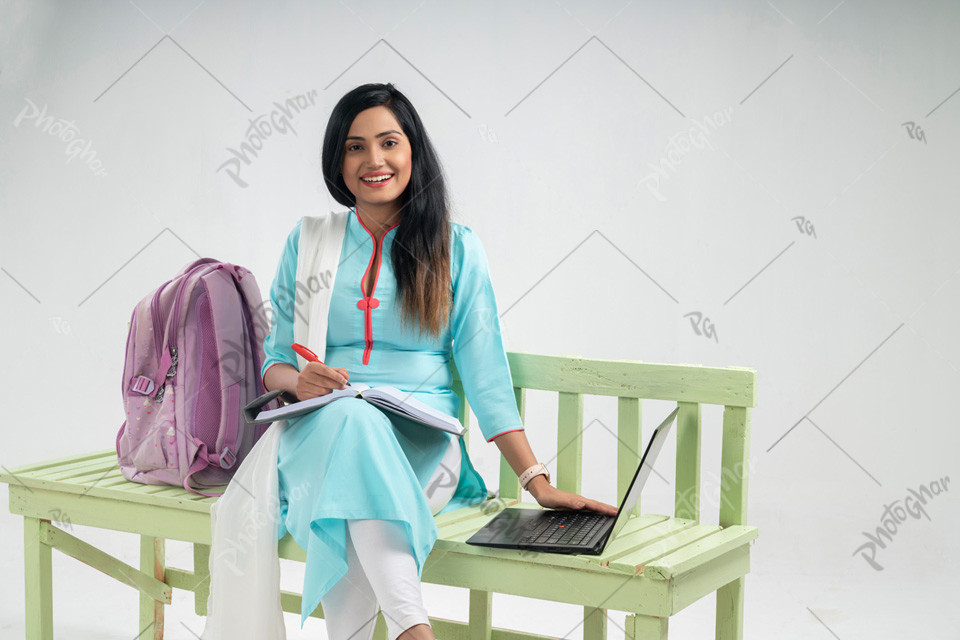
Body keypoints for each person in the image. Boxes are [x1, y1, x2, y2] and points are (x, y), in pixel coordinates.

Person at [260, 83, 618, 640]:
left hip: (424, 446)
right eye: (355, 147)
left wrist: (536, 480)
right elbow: (275, 363)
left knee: (351, 497)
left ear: (413, 152)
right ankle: (414, 631)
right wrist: (298, 381)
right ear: (337, 159)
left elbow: (485, 372)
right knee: (351, 423)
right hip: (321, 431)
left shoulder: (455, 248)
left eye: (388, 142)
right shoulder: (308, 244)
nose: (373, 161)